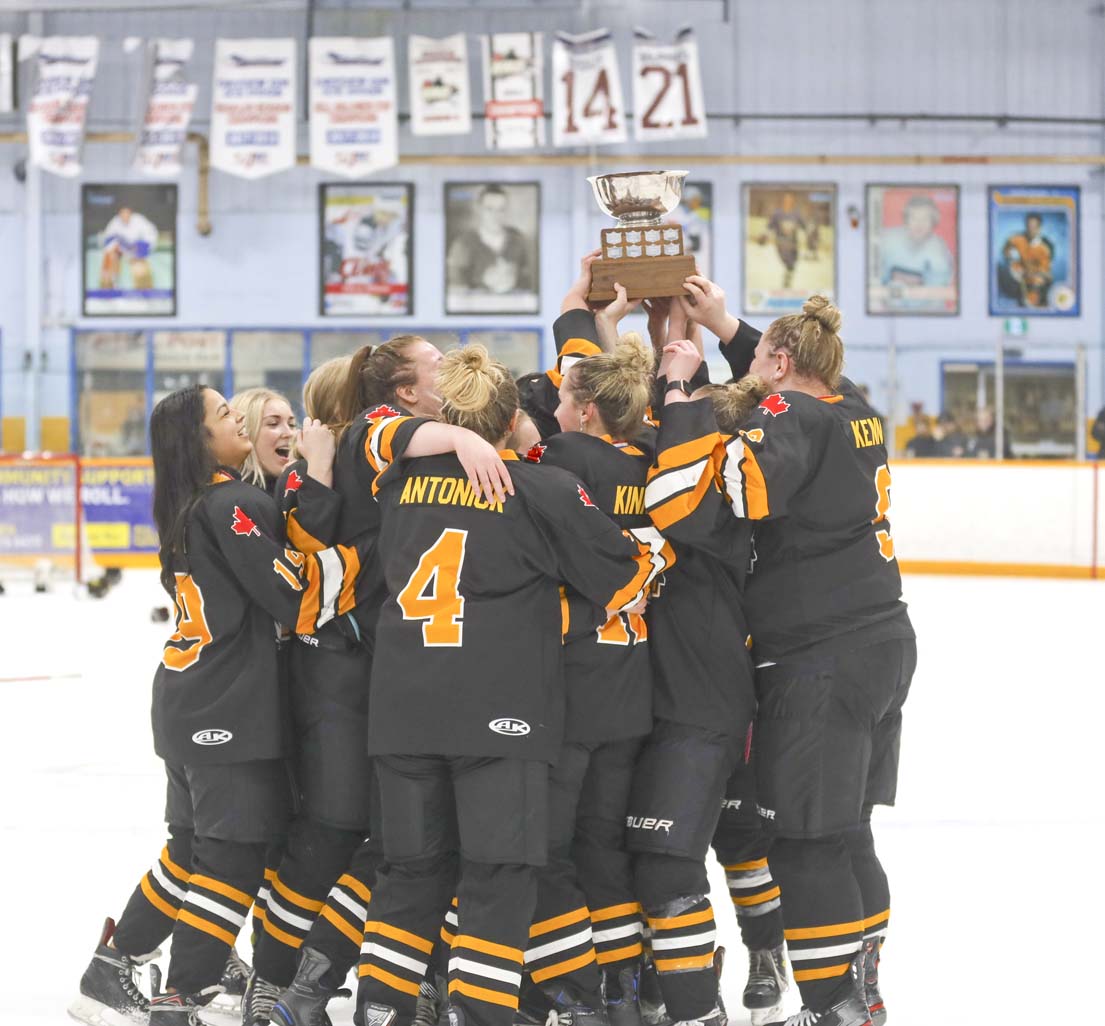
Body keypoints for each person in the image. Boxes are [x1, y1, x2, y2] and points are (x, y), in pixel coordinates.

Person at [354, 346, 668, 1026]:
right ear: (513, 419)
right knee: (498, 877)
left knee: (409, 876)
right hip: (501, 714)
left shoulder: (395, 477)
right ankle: (484, 1015)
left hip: (402, 706)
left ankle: (378, 1013)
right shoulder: (541, 488)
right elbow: (629, 580)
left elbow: (367, 431)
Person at [653, 297, 916, 1026]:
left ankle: (831, 1006)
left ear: (780, 365)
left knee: (803, 843)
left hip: (817, 655)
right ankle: (859, 994)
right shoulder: (852, 407)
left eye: (762, 357)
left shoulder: (792, 417)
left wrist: (681, 397)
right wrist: (725, 324)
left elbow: (716, 497)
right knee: (844, 830)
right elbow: (788, 396)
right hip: (880, 642)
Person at [69, 386, 359, 1024]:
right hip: (226, 710)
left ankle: (114, 966)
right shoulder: (234, 504)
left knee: (192, 851)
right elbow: (296, 598)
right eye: (227, 414)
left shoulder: (191, 502)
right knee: (228, 859)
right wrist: (365, 559)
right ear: (205, 439)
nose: (240, 419)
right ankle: (183, 996)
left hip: (190, 704)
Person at [251, 340, 513, 1026]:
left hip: (404, 674)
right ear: (392, 396)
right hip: (369, 676)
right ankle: (284, 983)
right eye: (434, 366)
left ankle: (326, 986)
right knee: (371, 842)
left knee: (403, 848)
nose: (449, 372)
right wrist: (461, 436)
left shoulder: (399, 453)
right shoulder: (371, 438)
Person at [517, 331, 674, 1026]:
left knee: (548, 849)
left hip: (569, 684)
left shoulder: (562, 456)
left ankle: (572, 991)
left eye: (562, 398)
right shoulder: (651, 458)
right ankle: (623, 987)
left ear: (583, 411)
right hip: (629, 682)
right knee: (605, 849)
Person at [447, 185, 534, 296]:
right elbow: (454, 292)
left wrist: (513, 280)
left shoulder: (519, 241)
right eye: (489, 209)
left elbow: (530, 288)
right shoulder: (462, 244)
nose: (496, 215)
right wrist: (483, 280)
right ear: (479, 210)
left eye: (501, 210)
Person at [229, 387, 298, 493]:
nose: (290, 433)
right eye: (273, 423)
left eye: (292, 425)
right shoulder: (238, 499)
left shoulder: (299, 491)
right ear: (245, 432)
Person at [877, 193, 953, 288]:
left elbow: (939, 289)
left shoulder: (939, 249)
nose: (919, 223)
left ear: (933, 221)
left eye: (925, 218)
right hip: (889, 300)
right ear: (906, 219)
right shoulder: (888, 240)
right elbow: (875, 279)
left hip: (924, 301)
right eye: (914, 218)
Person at [997, 212, 1054, 308]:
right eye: (1028, 226)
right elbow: (1005, 251)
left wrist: (1032, 276)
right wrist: (1009, 258)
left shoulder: (1045, 248)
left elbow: (1045, 272)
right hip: (1015, 280)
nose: (1030, 229)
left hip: (1034, 281)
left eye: (1034, 227)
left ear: (1039, 228)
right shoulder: (1016, 239)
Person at [99, 206, 160, 291]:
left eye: (127, 214)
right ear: (119, 215)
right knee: (109, 258)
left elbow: (151, 236)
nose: (124, 217)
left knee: (140, 270)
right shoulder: (115, 222)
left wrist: (141, 249)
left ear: (131, 214)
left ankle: (144, 291)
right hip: (120, 248)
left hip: (137, 249)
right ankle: (108, 288)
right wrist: (116, 249)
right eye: (122, 215)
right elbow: (107, 239)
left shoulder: (139, 220)